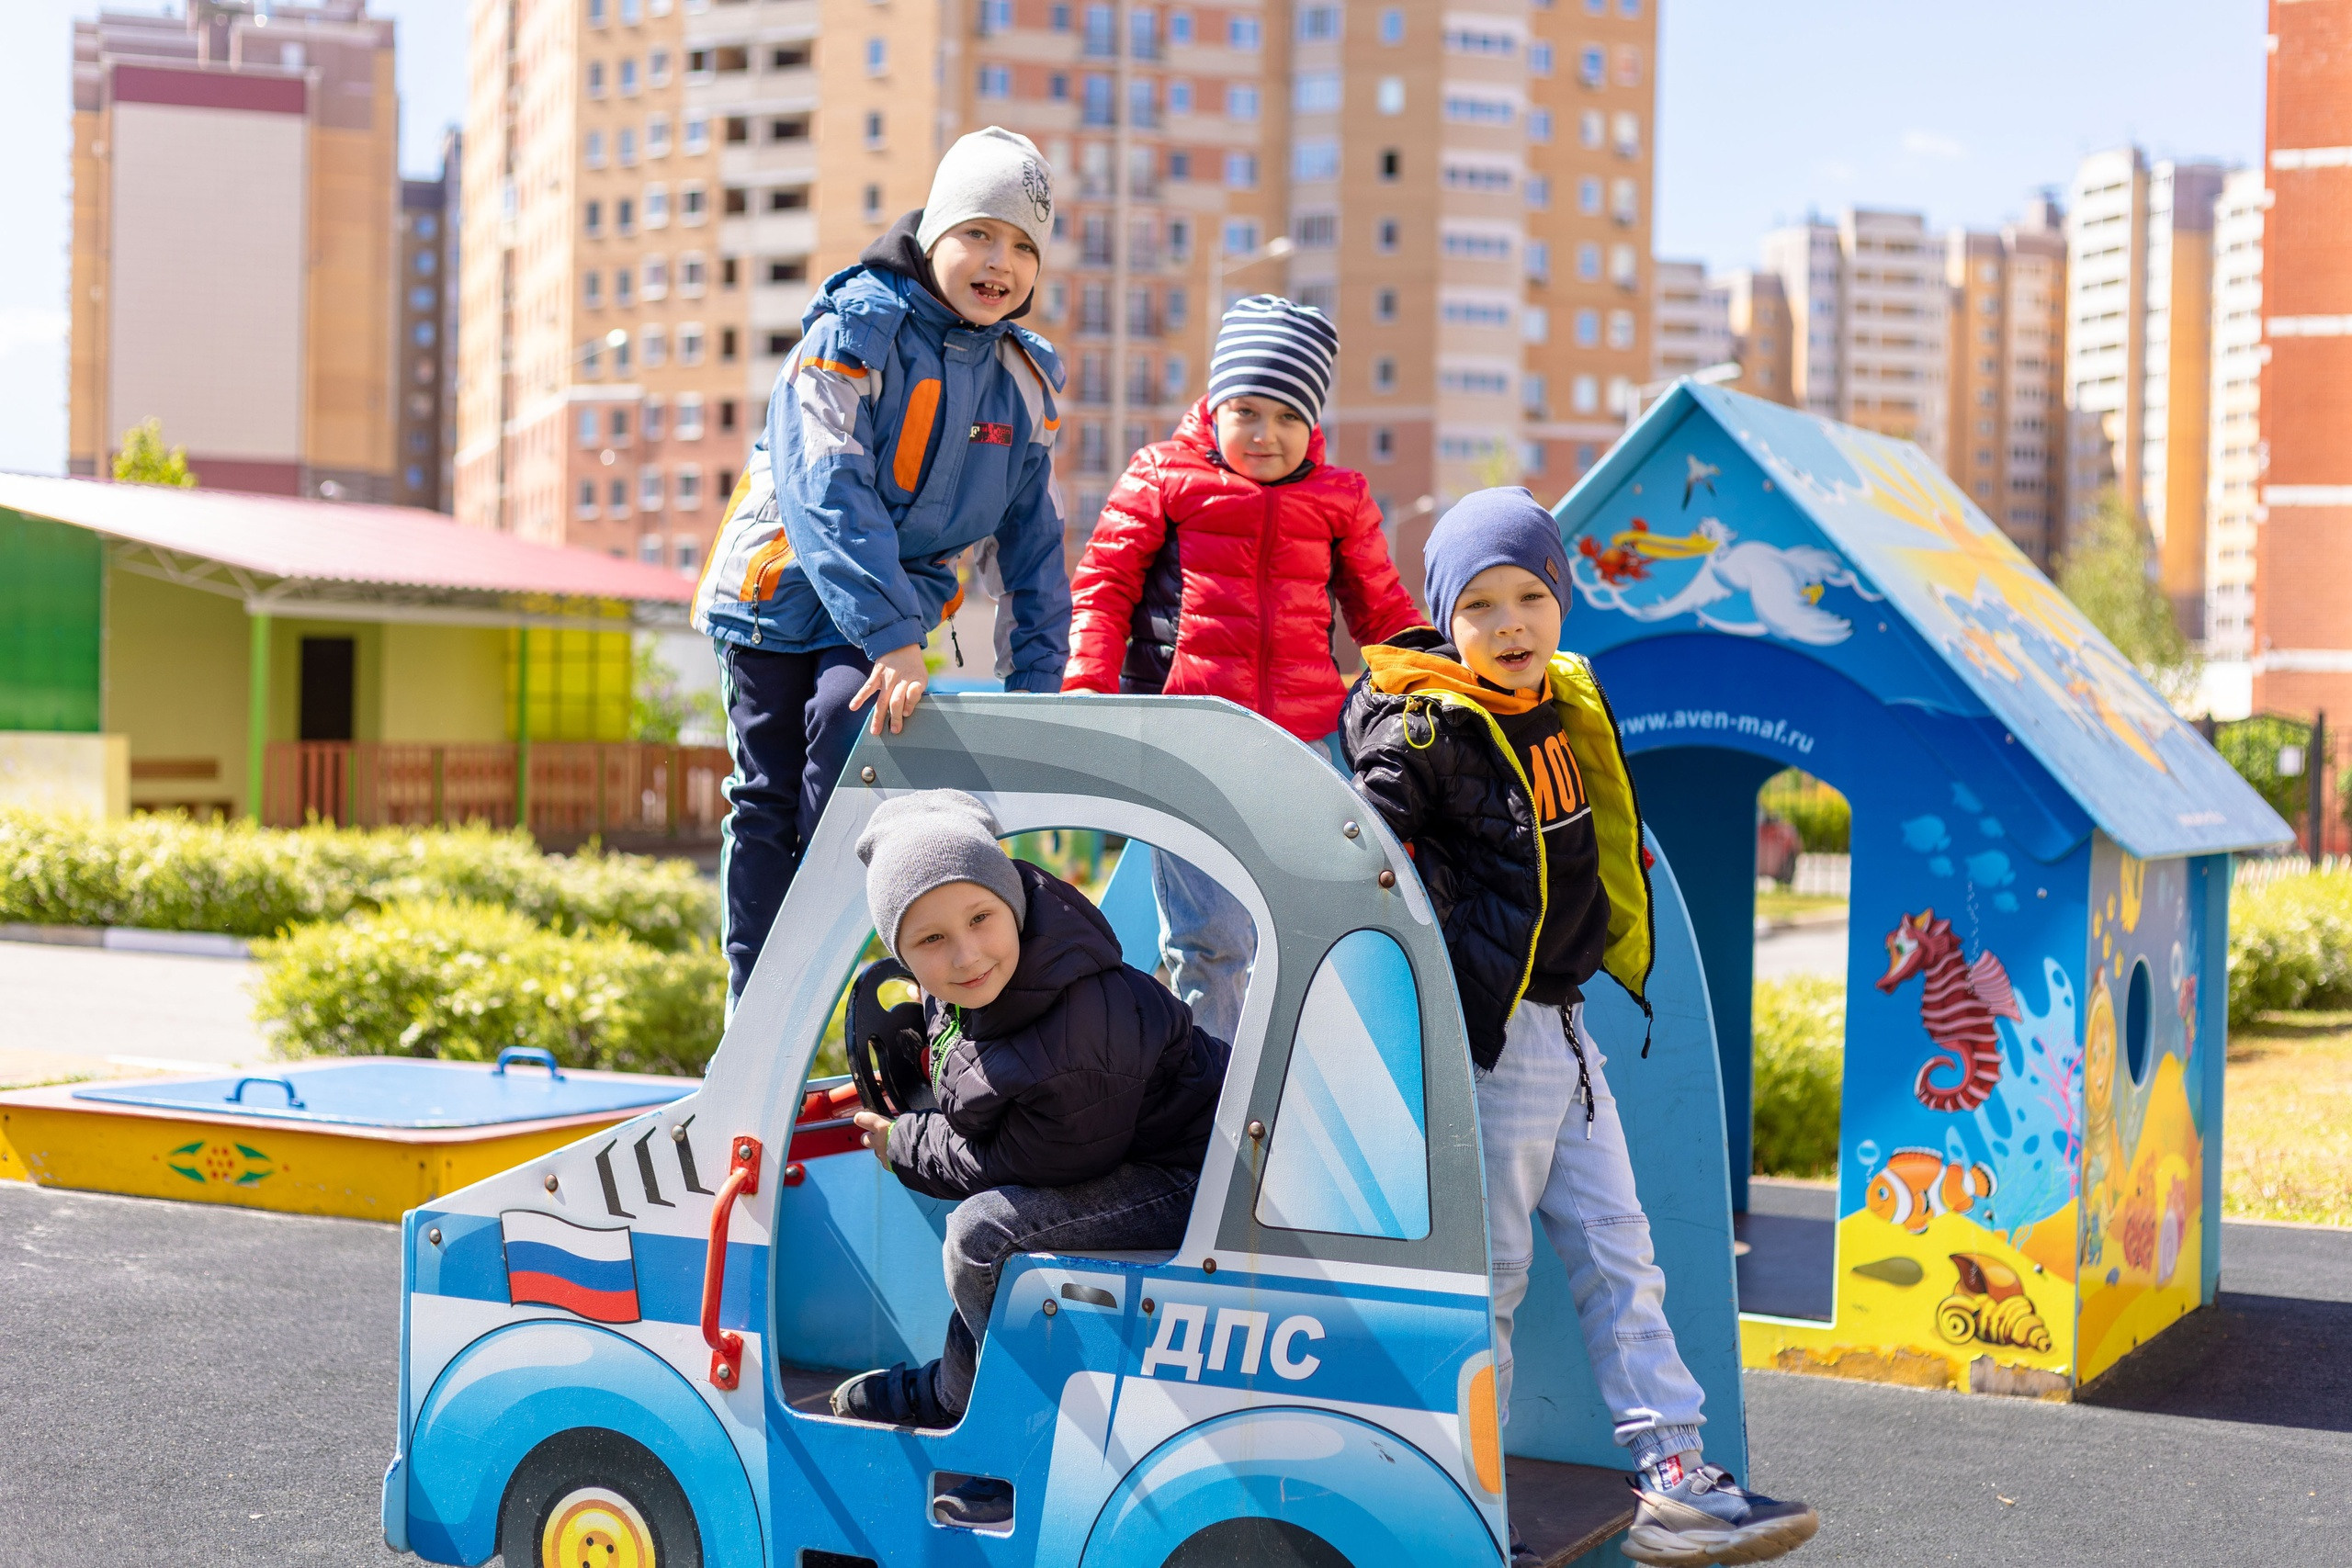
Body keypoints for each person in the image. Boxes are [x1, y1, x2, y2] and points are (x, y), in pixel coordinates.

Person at [1341, 490, 1819, 1568]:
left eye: (1529, 596)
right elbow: (1354, 840)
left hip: (1567, 1032)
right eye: (1479, 605)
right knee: (1494, 1274)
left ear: (1559, 599)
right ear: (1443, 620)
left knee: (1621, 1251)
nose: (1510, 624)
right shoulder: (1423, 725)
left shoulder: (1551, 703)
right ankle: (1454, 1497)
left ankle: (1675, 1479)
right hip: (1496, 1042)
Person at [693, 128, 1071, 1002]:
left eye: (1022, 246)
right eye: (978, 233)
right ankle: (755, 1007)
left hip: (885, 616)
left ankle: (825, 984)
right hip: (781, 588)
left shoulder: (1021, 383)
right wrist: (895, 636)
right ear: (932, 235)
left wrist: (1038, 687)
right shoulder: (853, 332)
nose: (998, 261)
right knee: (766, 790)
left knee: (847, 732)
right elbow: (827, 484)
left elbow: (1032, 546)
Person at [832, 790, 1228, 1523]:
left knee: (985, 1235)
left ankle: (1022, 1435)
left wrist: (904, 1142)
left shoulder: (1080, 1023)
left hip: (1200, 1179)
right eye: (929, 941)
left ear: (1011, 901)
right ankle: (958, 1390)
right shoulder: (986, 978)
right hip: (1114, 1147)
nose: (965, 954)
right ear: (902, 954)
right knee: (996, 1244)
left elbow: (1032, 1159)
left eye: (979, 918)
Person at [1060, 295, 1423, 1040]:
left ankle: (1305, 1086)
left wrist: (1440, 686)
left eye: (1289, 417)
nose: (1266, 434)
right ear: (1216, 403)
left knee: (1318, 926)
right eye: (1249, 410)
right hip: (1194, 739)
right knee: (1212, 940)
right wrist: (1090, 694)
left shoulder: (1338, 498)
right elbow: (1103, 587)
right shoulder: (1162, 477)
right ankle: (1219, 1088)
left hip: (1304, 742)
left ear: (1313, 424)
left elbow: (1383, 614)